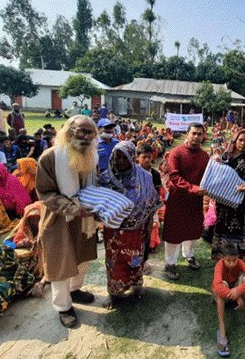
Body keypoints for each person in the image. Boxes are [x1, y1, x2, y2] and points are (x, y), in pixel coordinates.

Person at [35, 115, 100, 328]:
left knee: (82, 258)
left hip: (83, 218)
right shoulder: (50, 157)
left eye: (90, 132)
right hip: (59, 219)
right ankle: (63, 307)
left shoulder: (92, 156)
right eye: (82, 131)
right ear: (69, 131)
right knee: (60, 263)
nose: (86, 136)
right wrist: (72, 208)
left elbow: (93, 186)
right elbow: (46, 193)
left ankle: (75, 290)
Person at [98, 141, 162, 306]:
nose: (120, 161)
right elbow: (99, 204)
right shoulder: (105, 179)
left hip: (136, 230)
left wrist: (148, 225)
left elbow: (151, 203)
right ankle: (114, 293)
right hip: (113, 230)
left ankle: (136, 287)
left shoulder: (145, 177)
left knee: (135, 259)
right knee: (114, 263)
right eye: (117, 157)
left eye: (125, 157)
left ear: (132, 158)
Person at [162, 123, 209, 280]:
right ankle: (170, 262)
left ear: (203, 136)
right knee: (174, 232)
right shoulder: (176, 153)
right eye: (193, 133)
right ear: (187, 134)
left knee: (193, 230)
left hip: (195, 201)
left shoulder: (205, 156)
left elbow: (208, 178)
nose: (196, 137)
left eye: (199, 134)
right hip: (178, 199)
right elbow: (174, 177)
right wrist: (194, 188)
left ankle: (188, 254)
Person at [211, 131, 245, 260]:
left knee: (240, 226)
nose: (243, 143)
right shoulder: (225, 157)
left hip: (241, 200)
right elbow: (216, 175)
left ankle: (238, 254)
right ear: (235, 140)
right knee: (222, 224)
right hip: (223, 199)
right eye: (240, 140)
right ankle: (220, 253)